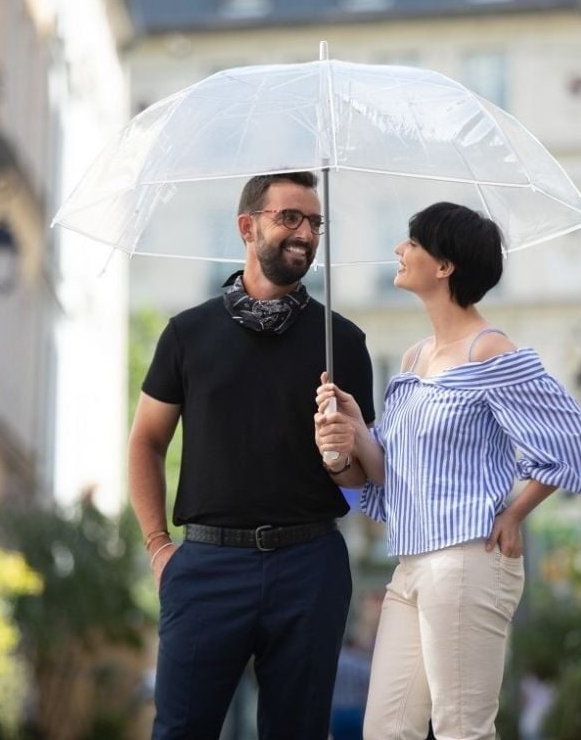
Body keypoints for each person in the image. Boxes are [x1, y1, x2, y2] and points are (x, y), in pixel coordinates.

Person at [314, 202, 581, 740]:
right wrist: (355, 430)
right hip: (411, 564)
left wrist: (516, 512)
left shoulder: (488, 349)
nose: (399, 251)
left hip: (469, 558)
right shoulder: (413, 358)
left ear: (444, 266)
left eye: (412, 244)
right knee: (386, 730)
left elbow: (576, 440)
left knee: (461, 729)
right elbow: (388, 476)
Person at [128, 171, 375, 740]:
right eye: (290, 217)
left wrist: (340, 457)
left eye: (314, 223)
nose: (305, 233)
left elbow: (363, 476)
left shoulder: (344, 343)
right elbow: (145, 441)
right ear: (247, 226)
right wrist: (159, 547)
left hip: (310, 563)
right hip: (207, 564)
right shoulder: (187, 334)